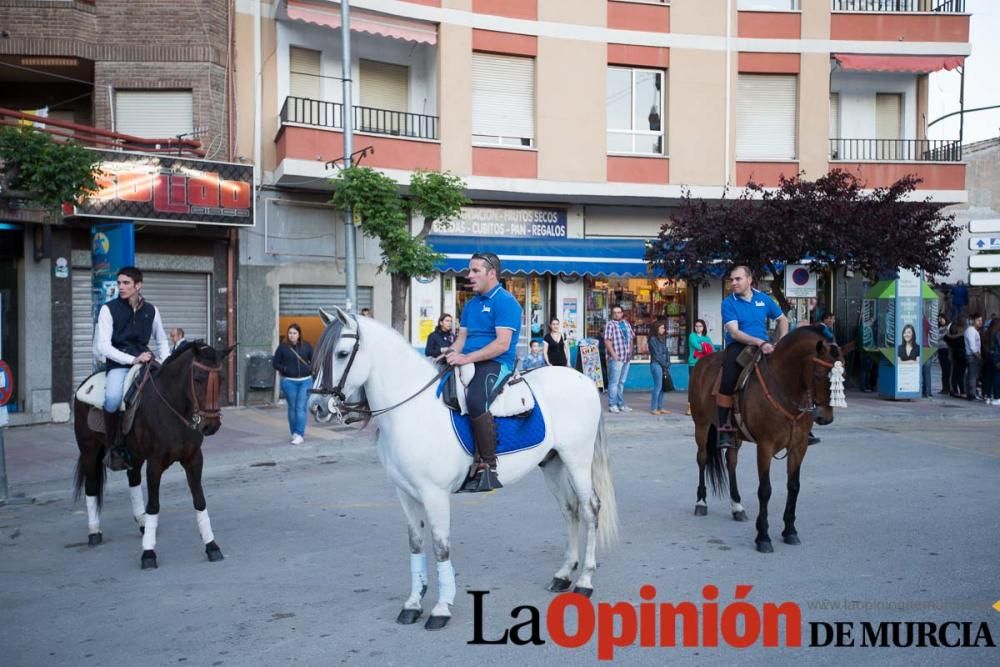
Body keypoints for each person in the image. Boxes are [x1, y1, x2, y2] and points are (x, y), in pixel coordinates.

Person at [445, 252, 522, 492]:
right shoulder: (470, 304)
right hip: (469, 360)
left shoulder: (506, 302)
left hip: (497, 363)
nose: (469, 276)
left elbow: (502, 344)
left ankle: (489, 467)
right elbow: (462, 337)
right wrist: (450, 354)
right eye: (469, 271)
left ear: (491, 273)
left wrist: (465, 357)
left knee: (476, 400)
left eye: (475, 271)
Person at [94, 266, 170, 471]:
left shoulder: (152, 310)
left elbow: (162, 340)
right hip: (119, 364)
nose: (121, 287)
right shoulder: (108, 309)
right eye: (119, 283)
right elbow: (104, 347)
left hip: (146, 361)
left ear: (139, 285)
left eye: (126, 283)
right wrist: (132, 359)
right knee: (112, 399)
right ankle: (113, 445)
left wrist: (165, 360)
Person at [717, 265, 789, 450]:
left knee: (791, 373)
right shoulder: (728, 303)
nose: (733, 283)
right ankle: (724, 427)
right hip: (740, 346)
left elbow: (783, 320)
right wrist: (759, 342)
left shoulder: (763, 299)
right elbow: (734, 332)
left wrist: (780, 343)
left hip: (765, 346)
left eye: (738, 279)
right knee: (728, 379)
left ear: (749, 280)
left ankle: (801, 419)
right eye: (732, 279)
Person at [272, 323, 314, 445]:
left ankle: (300, 434)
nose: (292, 335)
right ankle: (294, 433)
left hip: (305, 381)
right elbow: (275, 363)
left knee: (300, 407)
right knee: (292, 408)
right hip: (289, 382)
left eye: (294, 333)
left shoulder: (306, 346)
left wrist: (310, 369)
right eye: (290, 333)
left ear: (299, 334)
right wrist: (285, 369)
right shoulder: (283, 348)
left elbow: (314, 359)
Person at [603, 306, 635, 414]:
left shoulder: (626, 324)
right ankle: (612, 404)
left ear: (622, 313)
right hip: (616, 357)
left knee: (621, 382)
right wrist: (614, 354)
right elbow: (607, 341)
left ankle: (621, 404)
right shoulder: (610, 325)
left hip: (626, 357)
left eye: (619, 312)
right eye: (614, 312)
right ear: (612, 314)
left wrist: (630, 351)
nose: (617, 314)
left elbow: (631, 338)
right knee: (614, 382)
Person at [647, 321, 672, 415]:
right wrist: (665, 364)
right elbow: (656, 355)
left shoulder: (661, 338)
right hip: (656, 365)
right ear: (656, 328)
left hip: (663, 365)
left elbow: (666, 351)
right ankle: (653, 408)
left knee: (662, 387)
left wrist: (668, 362)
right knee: (658, 386)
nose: (663, 330)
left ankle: (660, 407)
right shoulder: (652, 339)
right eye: (661, 328)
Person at [945, 317, 967, 398]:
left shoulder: (951, 334)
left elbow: (948, 341)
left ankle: (954, 390)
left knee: (955, 373)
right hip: (961, 355)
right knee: (960, 374)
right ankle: (961, 391)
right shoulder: (963, 333)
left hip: (955, 355)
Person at [964, 313, 983, 401]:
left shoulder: (975, 331)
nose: (980, 322)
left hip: (973, 355)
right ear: (973, 321)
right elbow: (973, 346)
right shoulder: (971, 330)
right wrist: (978, 356)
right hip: (972, 356)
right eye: (978, 320)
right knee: (972, 376)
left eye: (981, 320)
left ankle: (971, 393)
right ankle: (971, 395)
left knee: (972, 376)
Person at [936, 314, 952, 395]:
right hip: (940, 349)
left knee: (948, 370)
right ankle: (944, 388)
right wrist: (942, 336)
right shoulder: (938, 328)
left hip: (947, 349)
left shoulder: (949, 326)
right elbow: (936, 337)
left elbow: (947, 335)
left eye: (941, 318)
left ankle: (949, 388)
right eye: (939, 319)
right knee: (944, 370)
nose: (940, 320)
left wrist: (941, 336)